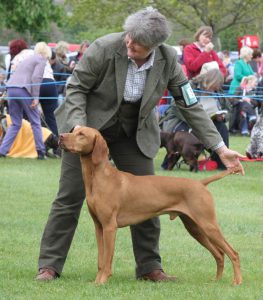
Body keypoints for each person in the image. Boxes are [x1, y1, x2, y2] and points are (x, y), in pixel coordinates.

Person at [36, 7, 244, 282]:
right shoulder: (104, 47)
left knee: (149, 197)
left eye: (138, 43)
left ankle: (150, 268)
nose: (129, 44)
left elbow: (190, 104)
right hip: (90, 128)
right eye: (130, 37)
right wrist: (78, 128)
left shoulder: (169, 59)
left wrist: (219, 147)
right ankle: (49, 265)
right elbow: (76, 88)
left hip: (135, 133)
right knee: (69, 197)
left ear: (155, 47)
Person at [0, 42, 51, 159]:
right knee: (35, 122)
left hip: (11, 89)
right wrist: (36, 98)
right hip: (22, 90)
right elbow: (36, 78)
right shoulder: (41, 59)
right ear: (47, 53)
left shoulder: (29, 59)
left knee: (15, 123)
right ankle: (41, 152)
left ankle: (2, 151)